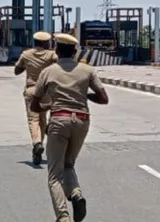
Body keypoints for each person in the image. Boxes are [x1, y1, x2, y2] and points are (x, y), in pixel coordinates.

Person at [30, 33, 109, 222]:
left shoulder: (48, 72)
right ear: (75, 52)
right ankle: (76, 194)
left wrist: (48, 106)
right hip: (82, 121)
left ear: (56, 51)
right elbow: (104, 99)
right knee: (69, 164)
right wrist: (83, 95)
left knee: (54, 174)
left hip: (59, 120)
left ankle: (63, 216)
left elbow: (34, 105)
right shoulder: (88, 70)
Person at [14, 31, 57, 166]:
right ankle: (38, 146)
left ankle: (37, 143)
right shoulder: (51, 55)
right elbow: (60, 62)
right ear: (45, 43)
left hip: (32, 89)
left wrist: (27, 65)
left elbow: (17, 70)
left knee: (33, 119)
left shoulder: (26, 54)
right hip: (45, 91)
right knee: (42, 120)